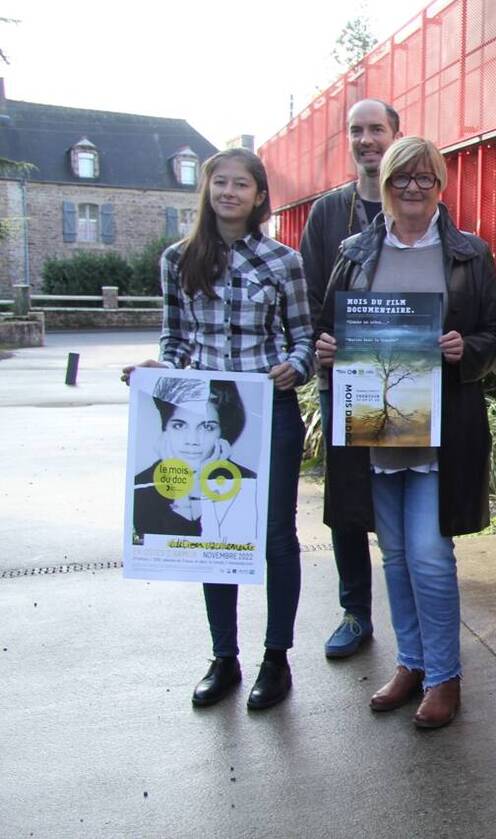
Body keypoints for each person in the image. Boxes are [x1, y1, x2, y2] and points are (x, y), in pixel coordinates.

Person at [315, 136, 496, 729]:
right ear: (385, 183)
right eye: (403, 178)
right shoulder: (354, 252)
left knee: (428, 554)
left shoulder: (468, 254)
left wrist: (465, 348)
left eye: (426, 179)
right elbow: (329, 329)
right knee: (394, 554)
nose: (413, 189)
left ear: (440, 185)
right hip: (374, 427)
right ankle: (411, 664)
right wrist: (327, 350)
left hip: (439, 434)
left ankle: (445, 676)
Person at [124, 148, 314, 711]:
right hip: (205, 413)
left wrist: (296, 366)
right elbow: (175, 339)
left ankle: (276, 658)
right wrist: (161, 372)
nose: (229, 192)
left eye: (242, 185)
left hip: (267, 410)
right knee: (216, 534)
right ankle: (224, 657)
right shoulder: (179, 259)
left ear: (260, 196)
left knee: (276, 534)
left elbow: (304, 337)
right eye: (220, 183)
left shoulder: (284, 262)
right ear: (207, 191)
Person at [300, 98, 402, 659]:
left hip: (404, 383)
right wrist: (322, 340)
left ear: (396, 134)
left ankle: (413, 615)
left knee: (406, 494)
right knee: (345, 503)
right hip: (341, 381)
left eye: (376, 130)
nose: (367, 140)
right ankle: (355, 613)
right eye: (357, 131)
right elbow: (314, 294)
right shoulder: (327, 213)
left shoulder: (419, 205)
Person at [132, 377, 258, 543]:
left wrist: (202, 483)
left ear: (222, 432)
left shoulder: (248, 482)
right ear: (166, 429)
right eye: (179, 425)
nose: (192, 440)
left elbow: (233, 543)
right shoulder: (141, 486)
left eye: (207, 427)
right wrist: (182, 495)